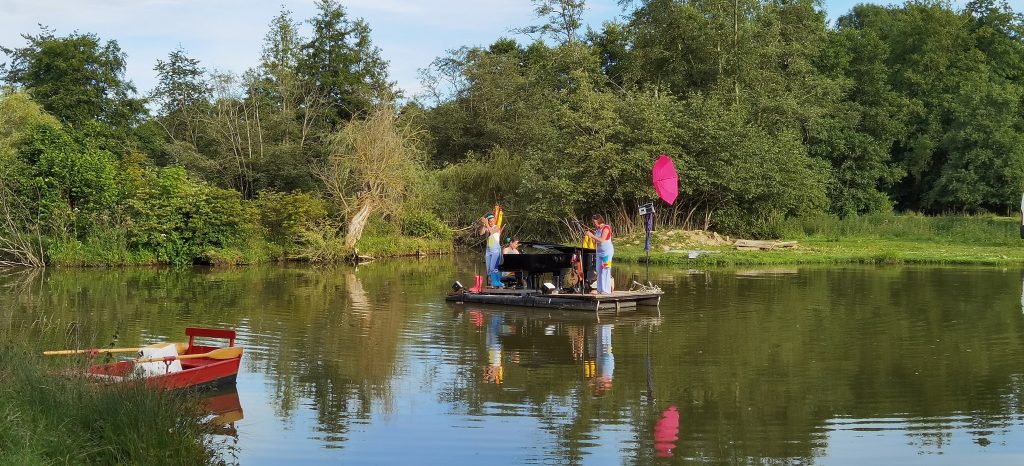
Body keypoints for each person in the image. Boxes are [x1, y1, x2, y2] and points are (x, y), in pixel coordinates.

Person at [584, 214, 614, 294]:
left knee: (605, 269)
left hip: (606, 253)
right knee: (599, 270)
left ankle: (606, 290)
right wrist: (590, 238)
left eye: (594, 222)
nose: (593, 224)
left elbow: (601, 240)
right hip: (599, 252)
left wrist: (592, 235)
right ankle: (600, 289)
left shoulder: (606, 228)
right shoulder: (597, 230)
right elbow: (596, 241)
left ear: (599, 220)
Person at [479, 212, 503, 287]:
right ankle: (491, 283)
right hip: (488, 250)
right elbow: (481, 233)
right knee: (488, 269)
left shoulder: (497, 227)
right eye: (490, 221)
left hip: (495, 249)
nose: (492, 222)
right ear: (488, 221)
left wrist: (486, 223)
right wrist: (484, 224)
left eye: (493, 221)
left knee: (493, 267)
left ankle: (497, 283)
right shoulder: (487, 227)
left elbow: (492, 232)